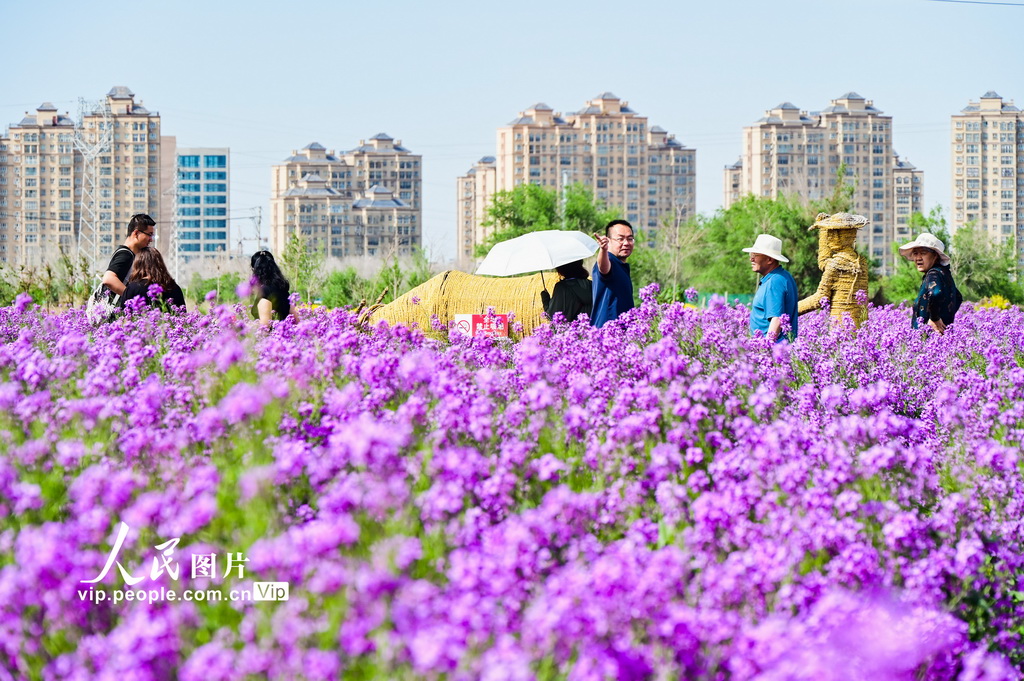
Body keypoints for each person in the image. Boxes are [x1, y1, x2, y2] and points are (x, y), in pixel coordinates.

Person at [797, 212, 869, 326]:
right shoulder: (861, 263)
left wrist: (791, 310)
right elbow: (824, 262)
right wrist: (823, 229)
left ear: (836, 236)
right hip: (861, 328)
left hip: (840, 330)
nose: (829, 238)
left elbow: (820, 298)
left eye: (830, 233)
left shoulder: (836, 265)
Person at [899, 233, 962, 334]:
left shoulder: (933, 274)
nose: (918, 258)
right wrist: (946, 318)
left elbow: (935, 293)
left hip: (929, 341)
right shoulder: (944, 274)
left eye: (923, 253)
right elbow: (958, 297)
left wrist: (935, 318)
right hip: (944, 339)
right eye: (915, 253)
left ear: (935, 256)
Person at [743, 233, 799, 341]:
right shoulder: (782, 276)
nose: (751, 259)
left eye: (755, 255)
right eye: (751, 255)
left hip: (774, 352)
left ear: (769, 260)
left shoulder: (775, 281)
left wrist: (767, 349)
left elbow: (777, 319)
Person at [100, 214, 156, 299]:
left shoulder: (131, 255)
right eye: (149, 234)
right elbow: (108, 279)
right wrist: (132, 299)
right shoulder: (125, 255)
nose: (151, 239)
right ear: (136, 233)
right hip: (108, 310)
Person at [591, 219, 635, 327]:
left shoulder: (622, 266)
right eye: (620, 239)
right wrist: (603, 250)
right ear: (608, 241)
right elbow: (604, 268)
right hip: (608, 336)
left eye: (630, 239)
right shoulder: (610, 260)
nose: (626, 243)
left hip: (622, 335)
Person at [117, 248, 186, 312]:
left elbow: (124, 316)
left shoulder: (133, 288)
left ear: (137, 264)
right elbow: (182, 315)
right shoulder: (174, 287)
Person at [250, 250, 294, 325]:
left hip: (270, 336)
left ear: (256, 270)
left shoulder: (265, 292)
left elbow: (265, 325)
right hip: (284, 334)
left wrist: (245, 327)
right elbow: (295, 318)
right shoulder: (284, 290)